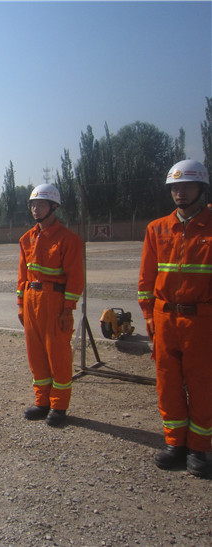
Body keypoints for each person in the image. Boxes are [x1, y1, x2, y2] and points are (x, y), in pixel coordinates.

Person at [138, 159, 212, 479]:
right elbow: (146, 278)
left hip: (202, 320)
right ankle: (175, 443)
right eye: (175, 187)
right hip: (164, 317)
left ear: (201, 188)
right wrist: (148, 315)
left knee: (202, 384)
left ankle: (199, 447)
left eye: (186, 186)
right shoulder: (157, 229)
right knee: (167, 383)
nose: (180, 192)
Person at [17, 184, 84, 427]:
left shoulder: (69, 240)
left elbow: (75, 277)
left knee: (58, 356)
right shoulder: (27, 238)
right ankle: (42, 402)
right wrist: (21, 304)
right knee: (35, 355)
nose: (36, 209)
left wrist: (68, 308)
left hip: (54, 302)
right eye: (33, 205)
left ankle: (59, 406)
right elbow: (22, 275)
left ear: (54, 207)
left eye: (41, 204)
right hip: (31, 299)